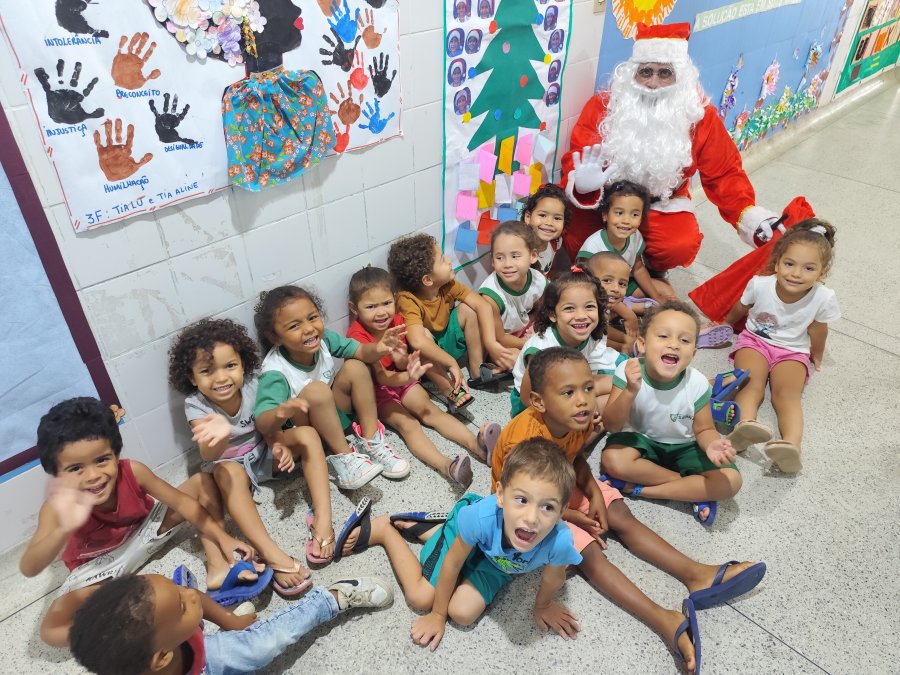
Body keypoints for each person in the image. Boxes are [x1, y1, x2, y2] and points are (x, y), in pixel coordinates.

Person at [493, 348, 767, 674]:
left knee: (619, 515)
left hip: (558, 481)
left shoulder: (575, 418)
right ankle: (663, 619)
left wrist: (594, 493)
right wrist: (574, 516)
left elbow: (573, 459)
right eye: (568, 392)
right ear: (539, 402)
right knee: (588, 552)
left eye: (588, 388)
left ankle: (697, 574)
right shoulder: (523, 440)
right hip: (526, 505)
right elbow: (523, 500)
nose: (583, 401)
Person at [21, 397, 257, 647]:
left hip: (143, 533)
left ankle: (218, 567)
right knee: (51, 631)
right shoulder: (56, 507)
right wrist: (62, 529)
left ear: (115, 453)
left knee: (202, 483)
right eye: (75, 468)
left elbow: (183, 503)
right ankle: (133, 629)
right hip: (99, 569)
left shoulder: (133, 471)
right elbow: (30, 567)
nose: (93, 476)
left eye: (102, 460)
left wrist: (224, 538)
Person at [561, 22, 781, 275]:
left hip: (662, 203)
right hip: (605, 201)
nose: (653, 83)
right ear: (632, 74)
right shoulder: (604, 106)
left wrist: (748, 214)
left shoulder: (699, 115)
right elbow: (577, 156)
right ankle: (596, 274)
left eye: (665, 73)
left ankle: (647, 272)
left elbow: (724, 172)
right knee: (577, 236)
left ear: (680, 77)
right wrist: (583, 186)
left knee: (679, 245)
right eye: (646, 72)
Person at [339, 439, 585, 650]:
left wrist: (543, 605)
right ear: (500, 495)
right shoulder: (480, 517)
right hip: (471, 532)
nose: (531, 518)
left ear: (563, 510)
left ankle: (431, 530)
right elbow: (453, 563)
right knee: (421, 598)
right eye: (522, 500)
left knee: (462, 613)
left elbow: (553, 578)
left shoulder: (560, 542)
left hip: (498, 562)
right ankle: (385, 530)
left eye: (548, 507)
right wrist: (437, 614)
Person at [167, 318, 333, 592]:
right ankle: (271, 553)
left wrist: (278, 444)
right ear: (192, 377)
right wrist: (219, 435)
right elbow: (209, 453)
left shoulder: (254, 384)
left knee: (307, 435)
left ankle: (323, 520)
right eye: (207, 371)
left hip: (264, 452)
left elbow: (267, 425)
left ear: (243, 364)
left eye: (230, 366)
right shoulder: (196, 405)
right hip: (231, 469)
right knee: (227, 471)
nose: (221, 378)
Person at [346, 266, 501, 486]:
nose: (381, 312)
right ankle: (448, 466)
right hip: (377, 393)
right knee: (409, 425)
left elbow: (401, 363)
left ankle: (479, 446)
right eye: (371, 307)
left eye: (386, 303)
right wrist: (408, 375)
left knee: (431, 412)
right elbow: (382, 378)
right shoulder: (357, 336)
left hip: (403, 378)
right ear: (354, 308)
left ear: (394, 299)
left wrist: (403, 361)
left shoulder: (397, 321)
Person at [600, 301, 752, 526]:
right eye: (663, 336)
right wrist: (630, 391)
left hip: (683, 446)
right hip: (640, 441)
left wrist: (712, 444)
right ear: (642, 344)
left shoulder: (698, 383)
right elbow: (611, 425)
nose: (674, 345)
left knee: (731, 481)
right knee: (612, 459)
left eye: (684, 340)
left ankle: (642, 490)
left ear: (693, 353)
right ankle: (692, 489)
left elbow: (704, 428)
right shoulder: (627, 371)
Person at [63, 572, 393, 674]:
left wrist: (230, 622)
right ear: (161, 657)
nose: (191, 594)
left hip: (207, 656)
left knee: (262, 646)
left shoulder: (166, 630)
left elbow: (194, 596)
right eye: (182, 605)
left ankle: (329, 599)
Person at [252, 285, 410, 491]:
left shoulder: (324, 338)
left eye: (312, 317)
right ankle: (345, 459)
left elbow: (361, 351)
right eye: (294, 326)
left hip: (331, 417)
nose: (309, 329)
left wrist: (380, 348)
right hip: (307, 432)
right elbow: (262, 422)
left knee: (356, 366)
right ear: (275, 337)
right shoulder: (275, 371)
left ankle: (371, 441)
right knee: (317, 390)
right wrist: (280, 412)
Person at [724, 219, 840, 472]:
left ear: (822, 273)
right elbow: (741, 307)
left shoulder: (823, 298)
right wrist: (724, 324)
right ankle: (744, 427)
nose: (796, 274)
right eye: (789, 264)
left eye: (808, 268)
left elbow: (819, 330)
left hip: (793, 351)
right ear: (777, 263)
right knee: (750, 383)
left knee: (787, 395)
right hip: (755, 342)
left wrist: (817, 354)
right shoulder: (760, 284)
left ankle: (790, 447)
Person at [388, 233, 517, 412]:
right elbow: (417, 341)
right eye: (442, 260)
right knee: (422, 338)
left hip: (447, 340)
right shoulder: (407, 300)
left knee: (469, 309)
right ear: (427, 280)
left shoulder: (447, 284)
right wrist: (451, 363)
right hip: (430, 361)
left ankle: (477, 372)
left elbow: (482, 306)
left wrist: (491, 344)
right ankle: (450, 390)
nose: (449, 260)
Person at [510, 267, 626, 418]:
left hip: (569, 386)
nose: (581, 316)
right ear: (553, 314)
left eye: (589, 306)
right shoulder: (541, 350)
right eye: (569, 308)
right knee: (611, 391)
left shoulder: (592, 334)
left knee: (621, 385)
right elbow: (527, 398)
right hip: (536, 405)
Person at [576, 180, 676, 304]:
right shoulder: (593, 247)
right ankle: (630, 307)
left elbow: (638, 269)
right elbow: (586, 288)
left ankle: (630, 303)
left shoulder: (635, 236)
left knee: (667, 291)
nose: (626, 220)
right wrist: (627, 309)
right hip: (600, 294)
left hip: (625, 285)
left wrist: (656, 296)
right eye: (619, 213)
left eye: (634, 214)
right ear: (605, 215)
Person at [478, 221, 547, 352]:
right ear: (492, 260)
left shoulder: (537, 279)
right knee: (514, 358)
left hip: (524, 329)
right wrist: (532, 345)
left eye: (515, 256)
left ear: (533, 256)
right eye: (499, 258)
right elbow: (500, 338)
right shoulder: (491, 296)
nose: (507, 264)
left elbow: (547, 310)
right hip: (505, 340)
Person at [586, 251, 638, 354]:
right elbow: (593, 344)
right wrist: (624, 348)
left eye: (622, 284)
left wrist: (629, 340)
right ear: (588, 279)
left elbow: (602, 330)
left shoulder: (601, 305)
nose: (616, 289)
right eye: (607, 280)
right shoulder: (586, 311)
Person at [523, 183, 570, 277]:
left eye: (557, 218)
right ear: (528, 217)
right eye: (542, 215)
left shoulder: (555, 242)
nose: (549, 223)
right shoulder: (520, 248)